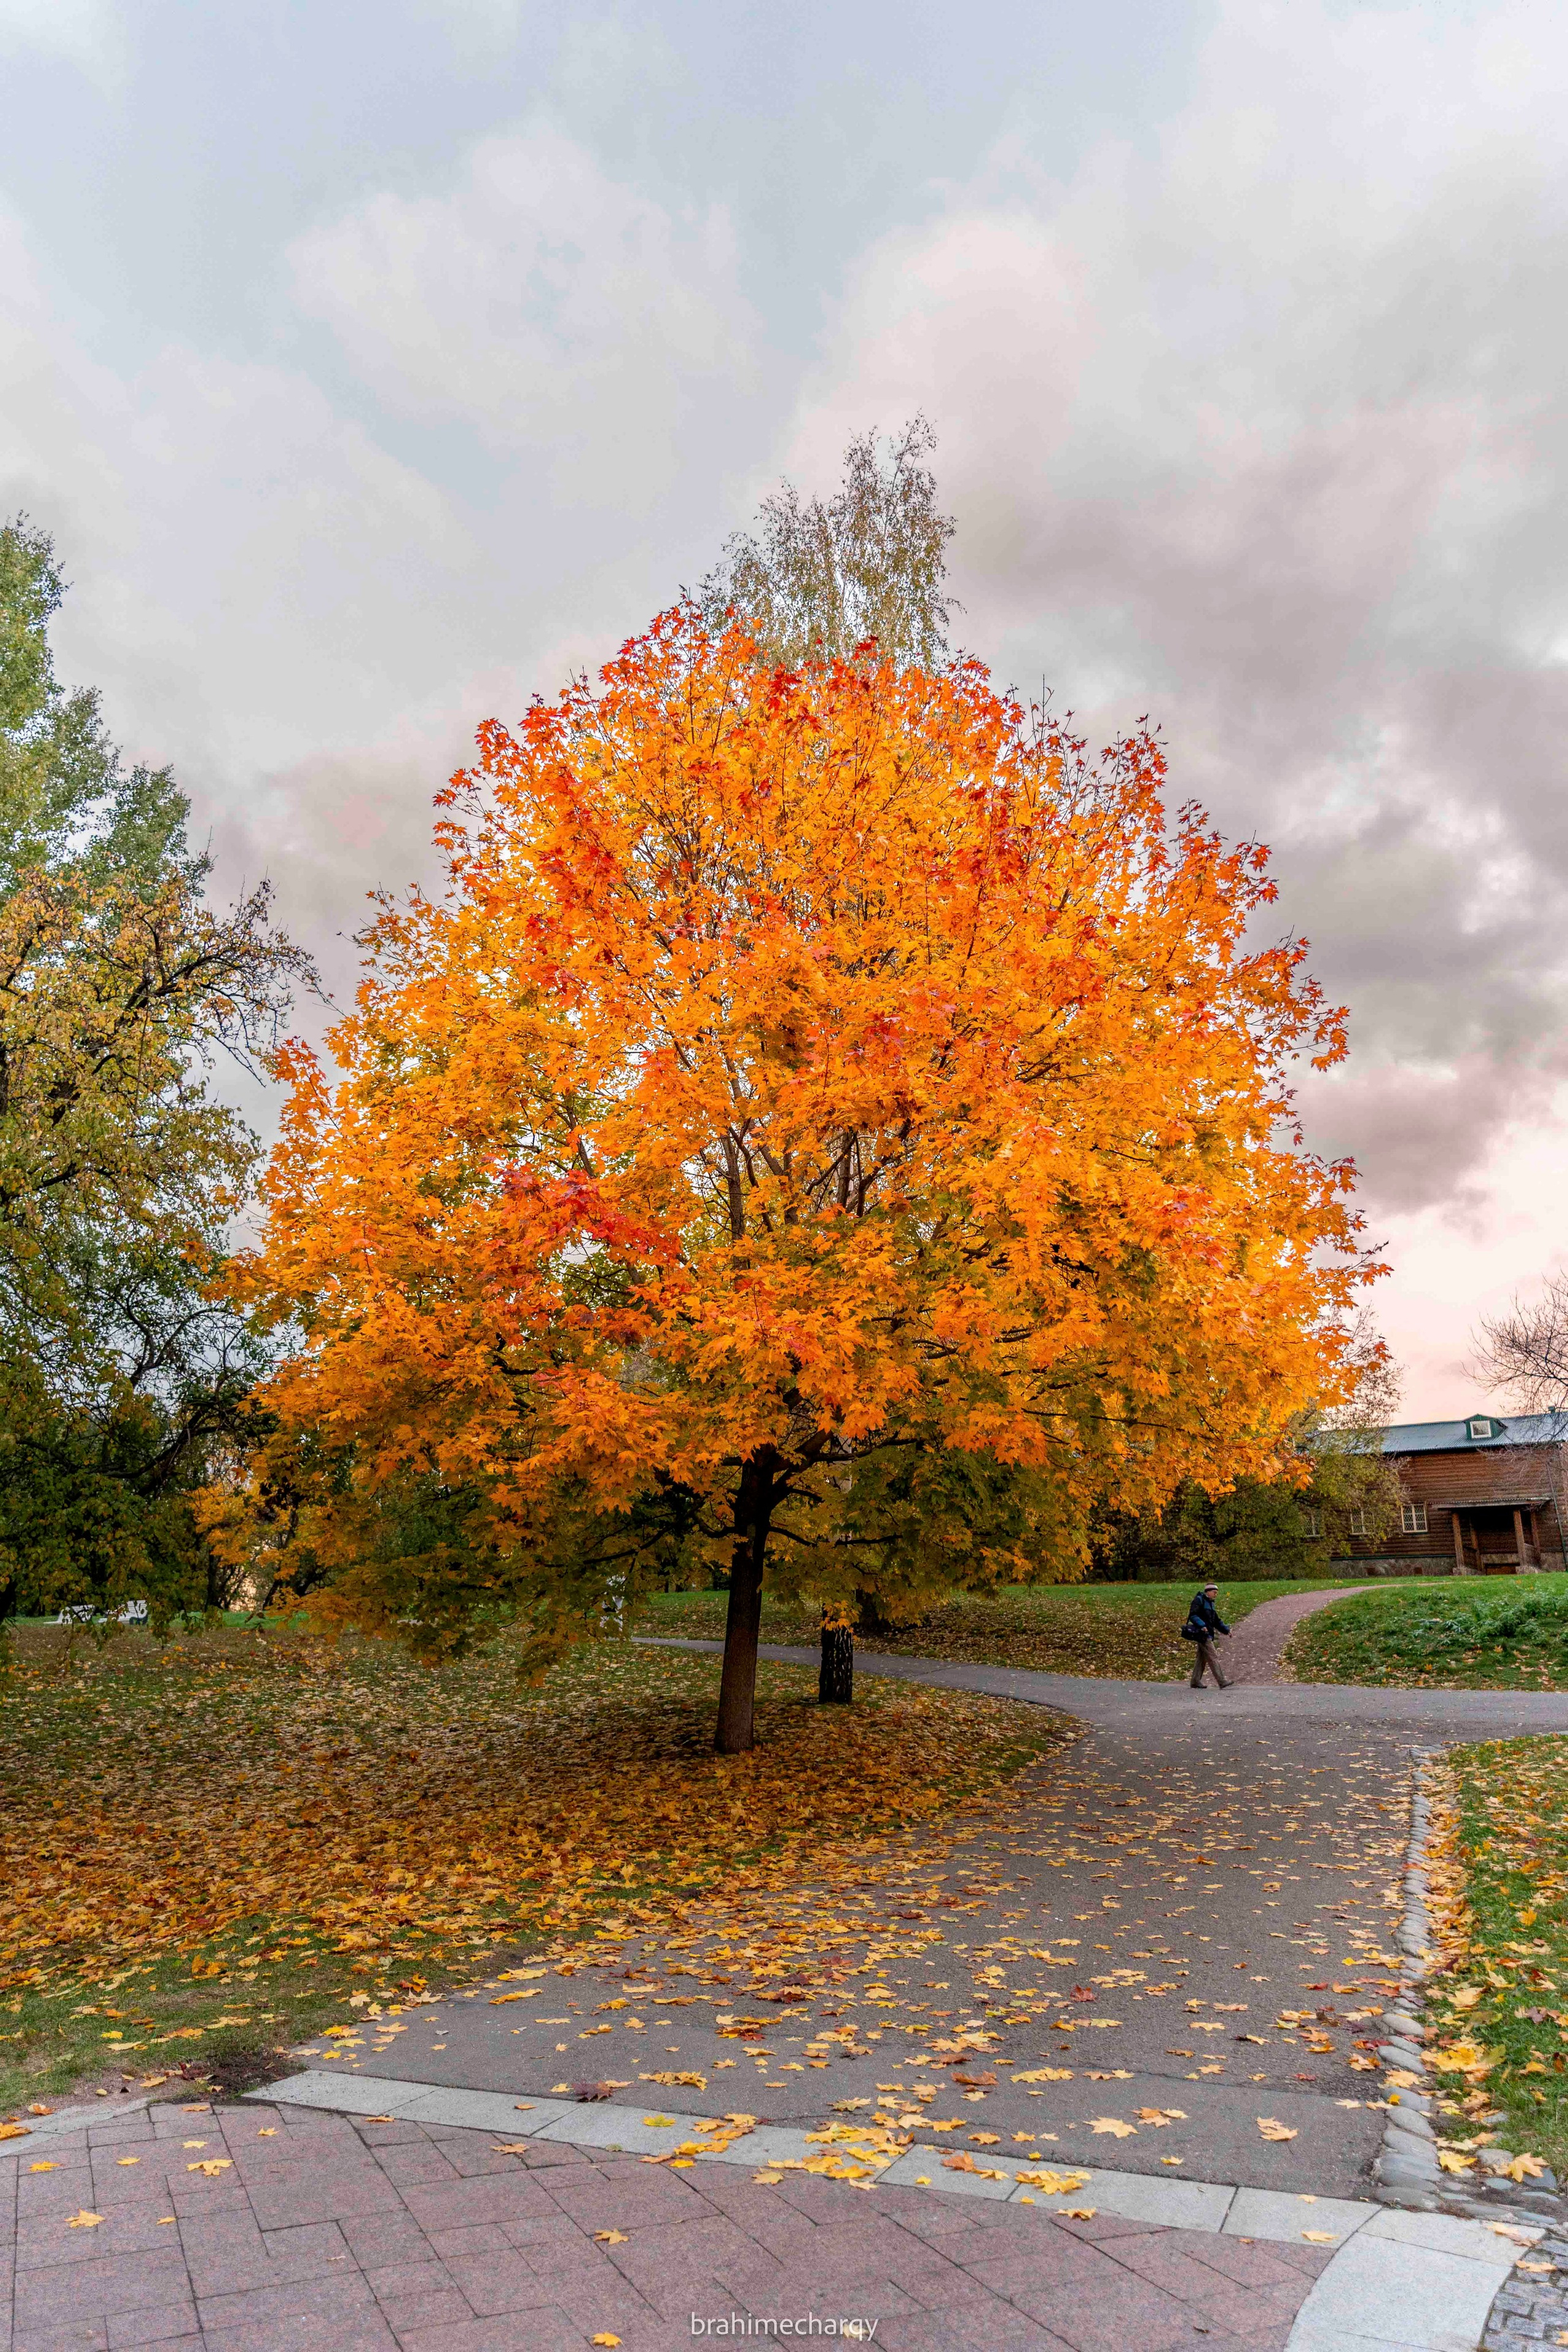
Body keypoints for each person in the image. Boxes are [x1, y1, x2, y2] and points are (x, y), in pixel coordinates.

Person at [1186, 1582, 1231, 1689]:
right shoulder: (1199, 1600)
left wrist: (1226, 1630)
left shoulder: (1210, 1603)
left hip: (1207, 1634)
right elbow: (1193, 1615)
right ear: (1208, 1592)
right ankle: (1222, 1681)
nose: (1216, 1595)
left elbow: (1216, 1620)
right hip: (1202, 1634)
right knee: (1213, 1656)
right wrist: (1202, 1625)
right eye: (1215, 1592)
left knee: (1202, 1659)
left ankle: (1195, 1681)